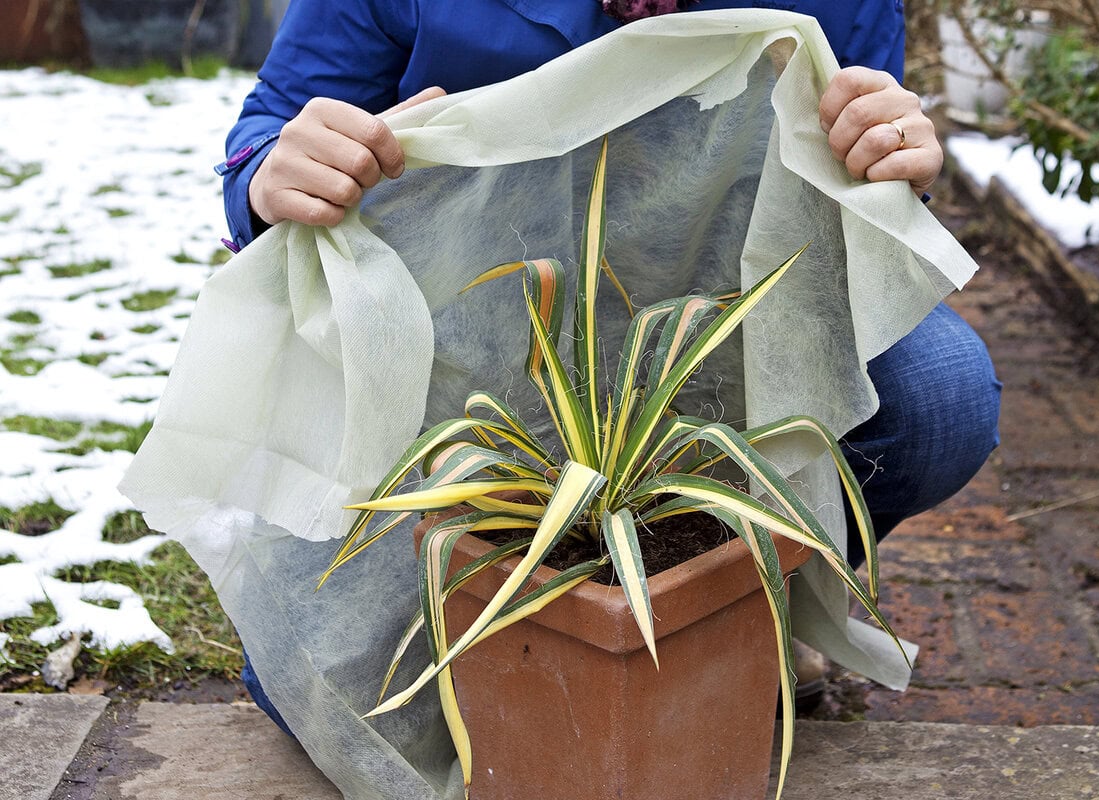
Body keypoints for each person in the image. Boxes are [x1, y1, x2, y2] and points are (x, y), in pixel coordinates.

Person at [218, 0, 1000, 738]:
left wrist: (892, 160)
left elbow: (857, 204)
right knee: (315, 700)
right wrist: (272, 174)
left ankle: (744, 598)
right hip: (467, 356)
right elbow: (271, 132)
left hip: (715, 340)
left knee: (937, 393)